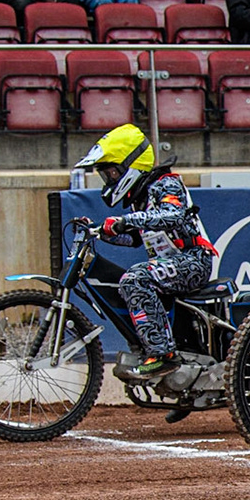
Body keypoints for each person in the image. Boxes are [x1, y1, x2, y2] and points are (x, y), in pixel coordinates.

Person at [76, 124, 214, 379]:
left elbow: (171, 215)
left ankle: (163, 355)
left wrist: (125, 221)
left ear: (131, 166)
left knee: (135, 277)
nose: (110, 181)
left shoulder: (166, 184)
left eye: (112, 173)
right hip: (172, 265)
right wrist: (102, 232)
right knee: (135, 277)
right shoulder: (142, 196)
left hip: (194, 262)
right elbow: (135, 240)